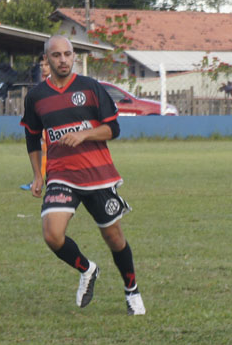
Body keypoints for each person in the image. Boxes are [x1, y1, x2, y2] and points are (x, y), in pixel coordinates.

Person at [20, 35, 145, 315]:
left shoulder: (91, 88)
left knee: (114, 239)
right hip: (61, 175)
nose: (63, 60)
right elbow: (31, 136)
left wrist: (85, 134)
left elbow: (114, 129)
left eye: (67, 54)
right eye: (56, 55)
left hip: (97, 174)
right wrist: (37, 175)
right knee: (52, 235)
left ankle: (132, 291)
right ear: (46, 60)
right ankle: (87, 269)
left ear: (74, 56)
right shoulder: (37, 97)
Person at [21, 57, 51, 191]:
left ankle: (41, 179)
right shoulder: (41, 87)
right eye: (41, 65)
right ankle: (39, 178)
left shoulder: (53, 84)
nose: (43, 67)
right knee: (43, 150)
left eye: (46, 64)